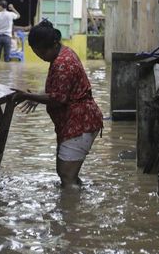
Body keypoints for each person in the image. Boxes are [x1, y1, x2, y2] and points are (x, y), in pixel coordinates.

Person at [14, 19, 103, 187]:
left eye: (40, 53)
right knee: (67, 175)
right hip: (75, 123)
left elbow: (58, 98)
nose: (40, 57)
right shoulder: (63, 54)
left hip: (80, 123)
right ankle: (75, 206)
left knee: (67, 177)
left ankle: (71, 210)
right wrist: (38, 96)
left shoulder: (63, 63)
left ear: (52, 46)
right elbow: (61, 91)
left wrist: (29, 96)